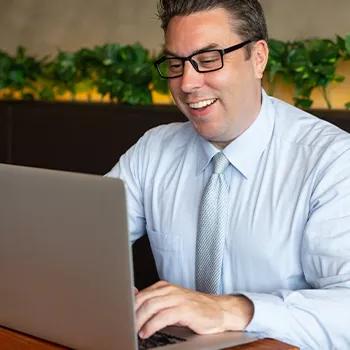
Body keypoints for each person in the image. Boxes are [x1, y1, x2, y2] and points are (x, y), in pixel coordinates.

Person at [105, 0, 350, 349]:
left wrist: (232, 310)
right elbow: (78, 242)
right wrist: (102, 289)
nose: (187, 83)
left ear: (259, 57)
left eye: (208, 60)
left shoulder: (333, 161)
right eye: (176, 64)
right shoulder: (153, 151)